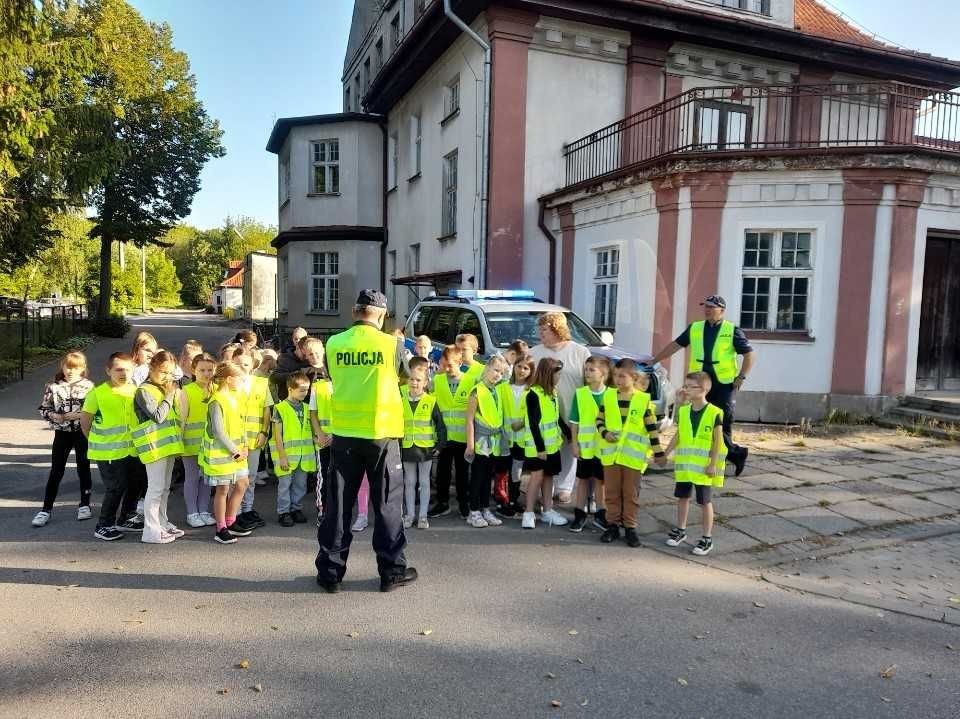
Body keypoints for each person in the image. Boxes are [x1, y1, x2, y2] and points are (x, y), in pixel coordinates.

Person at [314, 289, 416, 594]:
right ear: (381, 315)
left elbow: (333, 376)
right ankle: (391, 571)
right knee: (386, 504)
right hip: (381, 434)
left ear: (355, 311)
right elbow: (406, 376)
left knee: (338, 505)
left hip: (344, 433)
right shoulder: (391, 344)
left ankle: (330, 573)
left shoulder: (334, 343)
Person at [650, 295, 755, 476]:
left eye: (712, 307)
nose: (707, 310)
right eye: (705, 306)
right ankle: (732, 455)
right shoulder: (695, 328)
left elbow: (749, 354)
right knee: (696, 421)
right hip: (699, 384)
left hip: (723, 385)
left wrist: (741, 377)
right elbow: (675, 345)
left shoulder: (732, 331)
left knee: (721, 423)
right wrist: (654, 360)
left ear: (722, 311)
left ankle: (727, 458)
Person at [596, 359, 666, 548]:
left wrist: (659, 452)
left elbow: (651, 429)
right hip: (611, 456)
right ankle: (612, 525)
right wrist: (605, 433)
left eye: (622, 376)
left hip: (632, 457)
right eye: (615, 375)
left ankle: (630, 527)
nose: (617, 380)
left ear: (633, 377)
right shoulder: (609, 397)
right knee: (611, 493)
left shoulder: (643, 400)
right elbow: (599, 421)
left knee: (630, 493)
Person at [528, 312, 591, 504]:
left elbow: (588, 380)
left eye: (545, 329)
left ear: (558, 329)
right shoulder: (535, 352)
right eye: (539, 329)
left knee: (570, 447)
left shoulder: (580, 352)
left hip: (572, 408)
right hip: (546, 411)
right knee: (549, 447)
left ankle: (565, 487)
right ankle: (549, 485)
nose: (541, 333)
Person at [663, 372, 727, 556]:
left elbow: (718, 441)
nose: (686, 389)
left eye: (691, 386)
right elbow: (679, 435)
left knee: (704, 501)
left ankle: (707, 538)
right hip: (685, 465)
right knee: (682, 497)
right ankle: (680, 530)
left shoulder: (715, 412)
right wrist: (665, 454)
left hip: (704, 468)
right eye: (685, 385)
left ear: (704, 389)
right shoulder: (683, 411)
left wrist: (713, 464)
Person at [32, 351, 95, 527]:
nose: (71, 371)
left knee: (84, 467)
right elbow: (43, 409)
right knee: (56, 470)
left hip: (81, 433)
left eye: (75, 367)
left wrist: (75, 416)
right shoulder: (53, 387)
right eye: (68, 367)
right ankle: (46, 509)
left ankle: (85, 504)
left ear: (82, 369)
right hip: (61, 434)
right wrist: (55, 416)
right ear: (62, 367)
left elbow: (93, 411)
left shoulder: (89, 387)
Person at [131, 351, 187, 545]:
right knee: (155, 489)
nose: (167, 377)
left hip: (167, 446)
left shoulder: (164, 389)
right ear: (152, 368)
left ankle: (162, 522)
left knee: (164, 489)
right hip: (153, 447)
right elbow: (158, 416)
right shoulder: (144, 390)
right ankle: (151, 530)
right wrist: (170, 396)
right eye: (163, 372)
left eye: (171, 373)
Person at [81, 352, 137, 541]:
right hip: (108, 452)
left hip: (131, 450)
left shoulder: (135, 390)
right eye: (119, 369)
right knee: (115, 488)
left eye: (128, 369)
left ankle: (127, 516)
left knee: (134, 484)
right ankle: (103, 524)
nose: (124, 373)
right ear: (108, 370)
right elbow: (85, 422)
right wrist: (97, 441)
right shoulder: (98, 393)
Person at [201, 362, 254, 544]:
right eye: (240, 378)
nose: (242, 382)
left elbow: (241, 424)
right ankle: (221, 527)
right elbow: (218, 431)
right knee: (222, 489)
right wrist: (235, 450)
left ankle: (231, 521)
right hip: (222, 454)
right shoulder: (216, 400)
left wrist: (245, 446)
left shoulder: (235, 397)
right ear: (230, 379)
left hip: (238, 451)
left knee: (242, 484)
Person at [567, 355, 613, 533]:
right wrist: (574, 444)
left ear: (604, 374)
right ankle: (579, 513)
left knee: (601, 482)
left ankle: (601, 514)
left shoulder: (611, 395)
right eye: (586, 369)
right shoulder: (580, 394)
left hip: (604, 449)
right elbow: (574, 422)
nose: (587, 372)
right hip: (585, 448)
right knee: (583, 480)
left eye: (592, 370)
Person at [521, 358, 568, 529]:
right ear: (549, 374)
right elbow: (533, 424)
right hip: (537, 448)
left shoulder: (553, 393)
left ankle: (548, 510)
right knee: (537, 478)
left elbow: (556, 418)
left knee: (549, 476)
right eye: (558, 374)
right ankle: (528, 513)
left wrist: (568, 433)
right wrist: (540, 448)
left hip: (553, 445)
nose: (559, 377)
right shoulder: (533, 394)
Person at [464, 355, 508, 528]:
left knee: (487, 477)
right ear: (487, 368)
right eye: (496, 370)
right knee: (477, 477)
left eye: (501, 372)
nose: (498, 374)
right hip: (481, 441)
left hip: (494, 442)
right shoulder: (477, 391)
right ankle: (473, 511)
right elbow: (469, 419)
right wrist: (470, 444)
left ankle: (484, 508)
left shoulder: (497, 390)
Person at [400, 363, 446, 529]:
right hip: (407, 448)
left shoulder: (431, 401)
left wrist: (440, 445)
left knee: (424, 482)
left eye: (418, 380)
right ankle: (410, 515)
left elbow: (440, 425)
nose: (414, 383)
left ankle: (423, 517)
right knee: (409, 482)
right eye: (411, 379)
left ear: (425, 382)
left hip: (425, 449)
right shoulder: (401, 401)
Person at [428, 345, 470, 518]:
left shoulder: (470, 381)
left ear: (460, 362)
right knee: (442, 473)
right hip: (444, 437)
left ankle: (463, 503)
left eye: (450, 365)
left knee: (462, 473)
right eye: (445, 364)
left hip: (463, 437)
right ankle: (442, 502)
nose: (446, 368)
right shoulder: (437, 381)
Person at [271, 372, 314, 527]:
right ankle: (284, 512)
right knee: (285, 485)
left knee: (300, 485)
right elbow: (277, 436)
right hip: (286, 456)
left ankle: (296, 508)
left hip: (302, 457)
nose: (305, 393)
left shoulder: (308, 408)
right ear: (290, 389)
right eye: (302, 390)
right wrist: (282, 456)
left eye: (307, 390)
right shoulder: (280, 408)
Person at [235, 347, 271, 529]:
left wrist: (264, 432)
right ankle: (235, 512)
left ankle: (247, 508)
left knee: (250, 476)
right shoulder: (227, 384)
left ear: (252, 365)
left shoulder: (260, 383)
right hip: (235, 440)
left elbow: (266, 410)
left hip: (254, 438)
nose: (242, 367)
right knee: (236, 477)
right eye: (239, 364)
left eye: (246, 364)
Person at [495, 355, 534, 517]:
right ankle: (501, 500)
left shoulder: (532, 390)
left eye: (526, 368)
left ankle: (513, 500)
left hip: (521, 439)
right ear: (514, 367)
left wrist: (524, 423)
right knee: (502, 470)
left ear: (531, 371)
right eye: (519, 366)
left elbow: (534, 412)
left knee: (517, 471)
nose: (521, 370)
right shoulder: (503, 387)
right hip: (504, 438)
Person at [182, 353, 217, 528]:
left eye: (210, 370)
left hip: (210, 444)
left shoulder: (216, 389)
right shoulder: (187, 391)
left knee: (207, 478)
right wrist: (179, 441)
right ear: (193, 370)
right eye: (202, 370)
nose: (206, 373)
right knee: (192, 478)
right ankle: (192, 512)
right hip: (191, 443)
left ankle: (204, 510)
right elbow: (182, 418)